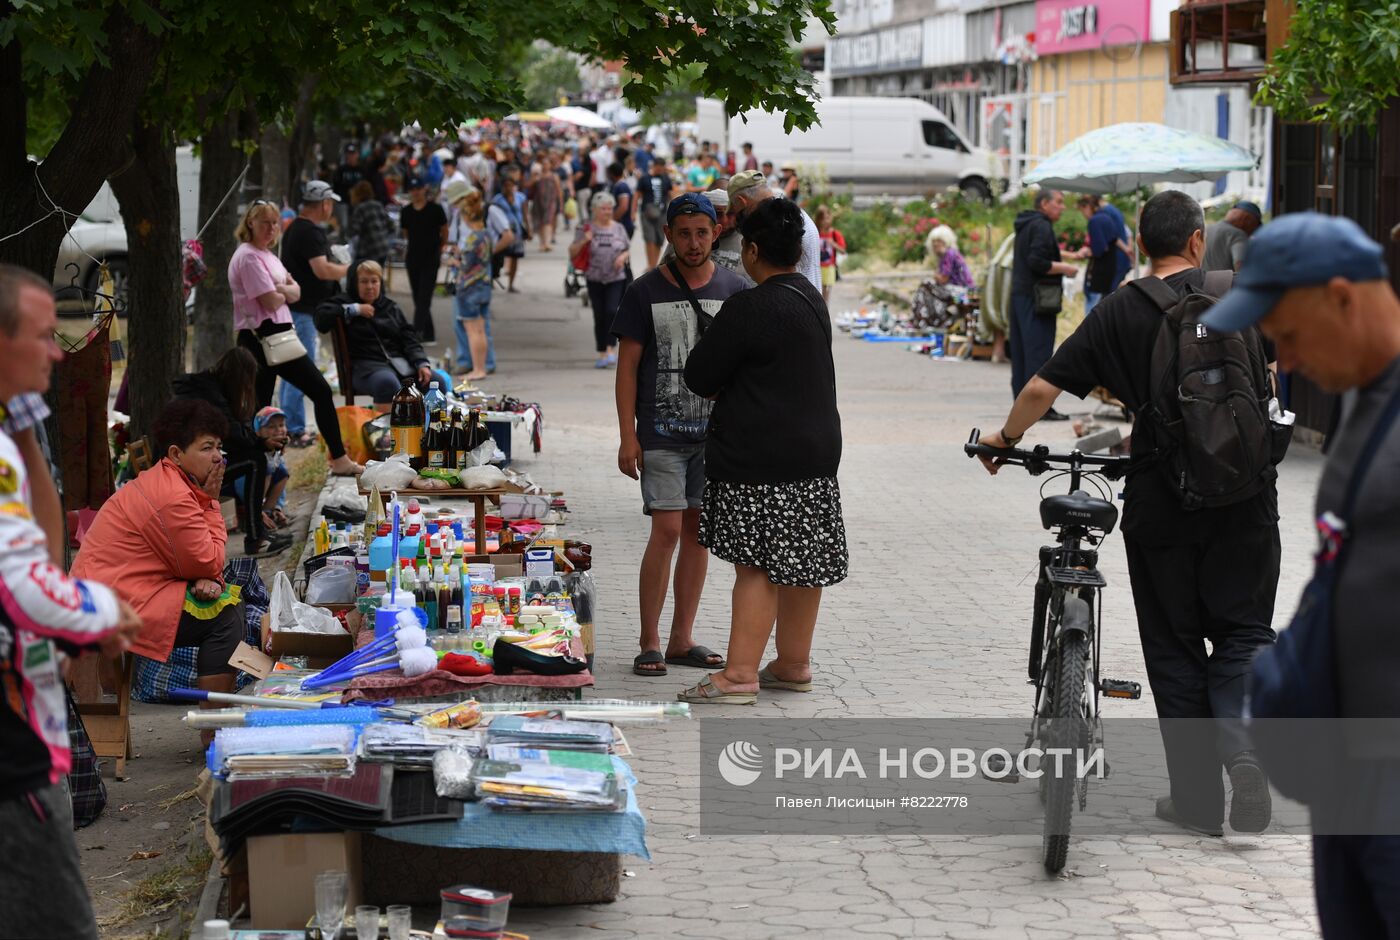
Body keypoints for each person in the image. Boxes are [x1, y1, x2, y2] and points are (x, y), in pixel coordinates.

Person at [976, 189, 1281, 838]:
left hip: (1162, 500)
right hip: (1247, 500)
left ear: (1142, 245)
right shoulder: (1236, 292)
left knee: (1174, 650)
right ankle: (1247, 755)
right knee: (1244, 635)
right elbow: (1268, 379)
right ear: (1198, 242)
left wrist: (1003, 441)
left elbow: (1039, 387)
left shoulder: (1124, 308)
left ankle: (1197, 802)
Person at [1199, 212, 1399, 937]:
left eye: (1286, 334)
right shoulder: (1366, 401)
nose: (1281, 358)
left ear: (1343, 298)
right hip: (1350, 781)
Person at [0, 266, 141, 940]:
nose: (59, 351)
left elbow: (41, 543)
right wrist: (97, 613)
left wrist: (25, 425)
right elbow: (23, 579)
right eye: (41, 335)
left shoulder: (11, 440)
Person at [678, 197, 847, 705]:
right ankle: (793, 664)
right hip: (816, 453)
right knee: (802, 561)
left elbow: (700, 376)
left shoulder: (749, 306)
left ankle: (738, 676)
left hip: (759, 456)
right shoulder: (811, 298)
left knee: (756, 565)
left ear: (751, 251)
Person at [611, 193, 747, 678]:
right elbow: (627, 368)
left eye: (702, 233)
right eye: (684, 233)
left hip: (715, 438)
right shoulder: (645, 290)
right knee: (666, 530)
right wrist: (629, 436)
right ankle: (648, 639)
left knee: (697, 534)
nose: (693, 243)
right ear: (668, 234)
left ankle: (680, 638)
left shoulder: (734, 288)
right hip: (662, 432)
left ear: (717, 232)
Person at [72, 399, 244, 747]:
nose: (217, 457)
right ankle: (214, 735)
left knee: (231, 598)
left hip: (118, 589)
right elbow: (209, 561)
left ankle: (216, 726)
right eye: (206, 447)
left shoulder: (172, 481)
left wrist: (203, 573)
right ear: (177, 454)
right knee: (226, 618)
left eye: (219, 447)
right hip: (113, 601)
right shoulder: (174, 496)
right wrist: (211, 502)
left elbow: (196, 560)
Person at [229, 195, 361, 475]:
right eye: (265, 222)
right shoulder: (249, 257)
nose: (271, 228)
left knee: (260, 407)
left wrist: (284, 289)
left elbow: (296, 291)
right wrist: (284, 289)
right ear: (250, 222)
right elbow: (271, 301)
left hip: (278, 335)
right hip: (263, 337)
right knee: (319, 391)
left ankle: (258, 470)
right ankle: (337, 459)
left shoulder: (266, 255)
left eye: (275, 223)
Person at [172, 347, 293, 555]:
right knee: (255, 461)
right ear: (239, 377)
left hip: (185, 465)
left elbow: (233, 431)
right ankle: (256, 538)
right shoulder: (210, 394)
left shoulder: (208, 388)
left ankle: (258, 533)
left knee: (254, 458)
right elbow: (232, 434)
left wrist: (260, 441)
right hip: (183, 473)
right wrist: (262, 443)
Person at [315, 260, 432, 408]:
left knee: (434, 380)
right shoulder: (343, 302)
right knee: (387, 382)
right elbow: (321, 318)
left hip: (398, 365)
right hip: (364, 368)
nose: (369, 287)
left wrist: (421, 362)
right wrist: (355, 309)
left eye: (374, 281)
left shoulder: (389, 307)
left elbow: (409, 338)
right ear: (354, 283)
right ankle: (389, 430)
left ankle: (430, 429)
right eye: (363, 281)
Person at [1008, 189, 1079, 416]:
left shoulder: (1027, 224)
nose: (1063, 206)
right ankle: (1038, 408)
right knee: (1038, 351)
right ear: (1045, 204)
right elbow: (1037, 262)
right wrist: (1066, 268)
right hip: (1037, 298)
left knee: (1022, 352)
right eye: (1059, 202)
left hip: (1020, 294)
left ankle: (1022, 404)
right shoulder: (1041, 226)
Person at [728, 170, 821, 291]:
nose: (736, 216)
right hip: (808, 300)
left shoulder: (779, 224)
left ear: (741, 201)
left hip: (789, 303)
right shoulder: (791, 216)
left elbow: (776, 276)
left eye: (735, 210)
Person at [572, 191, 631, 369]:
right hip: (594, 277)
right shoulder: (586, 228)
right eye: (603, 208)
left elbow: (627, 248)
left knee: (612, 311)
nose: (607, 211)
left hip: (615, 277)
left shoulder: (619, 228)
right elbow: (572, 252)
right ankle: (601, 352)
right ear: (595, 210)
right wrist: (584, 241)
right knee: (599, 314)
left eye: (610, 208)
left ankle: (610, 348)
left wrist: (622, 257)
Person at [446, 183, 495, 381]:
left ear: (467, 217)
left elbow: (465, 265)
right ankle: (481, 366)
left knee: (472, 330)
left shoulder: (472, 239)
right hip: (483, 284)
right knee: (481, 330)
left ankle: (478, 368)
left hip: (469, 288)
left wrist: (454, 260)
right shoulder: (486, 236)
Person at [399, 175, 449, 342]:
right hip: (413, 258)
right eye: (412, 190)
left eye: (418, 189)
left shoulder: (435, 209)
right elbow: (406, 233)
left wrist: (441, 247)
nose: (415, 193)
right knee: (417, 296)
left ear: (424, 189)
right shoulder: (405, 212)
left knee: (424, 297)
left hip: (431, 258)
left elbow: (444, 230)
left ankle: (417, 331)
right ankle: (429, 333)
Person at [1078, 194, 1133, 313]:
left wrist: (1085, 253)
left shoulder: (1094, 221)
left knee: (1092, 308)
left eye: (1082, 211)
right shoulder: (1106, 217)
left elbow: (1099, 249)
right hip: (1110, 269)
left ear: (1087, 207)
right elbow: (1115, 238)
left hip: (1099, 273)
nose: (1083, 215)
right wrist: (1128, 251)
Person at [490, 169, 528, 294]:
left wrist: (528, 228)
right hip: (503, 233)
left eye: (510, 185)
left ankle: (511, 284)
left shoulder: (520, 197)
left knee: (515, 258)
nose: (508, 188)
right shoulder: (497, 200)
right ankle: (491, 280)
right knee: (495, 257)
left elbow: (525, 214)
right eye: (506, 185)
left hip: (516, 232)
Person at [1203, 200, 1263, 272]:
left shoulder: (1205, 230)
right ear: (1246, 219)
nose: (1253, 232)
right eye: (1254, 226)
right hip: (1225, 283)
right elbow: (1240, 265)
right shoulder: (1238, 235)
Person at [638, 157, 675, 270]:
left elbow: (670, 193)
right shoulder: (644, 178)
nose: (659, 170)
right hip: (647, 212)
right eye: (657, 168)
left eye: (661, 168)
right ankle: (651, 265)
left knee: (659, 239)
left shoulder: (666, 179)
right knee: (650, 239)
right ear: (653, 166)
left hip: (662, 212)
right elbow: (637, 194)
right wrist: (632, 211)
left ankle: (654, 264)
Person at [347, 179, 394, 266]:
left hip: (367, 251)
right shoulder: (378, 205)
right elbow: (391, 226)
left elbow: (354, 231)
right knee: (377, 276)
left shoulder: (359, 208)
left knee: (365, 276)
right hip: (382, 249)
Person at [530, 151, 563, 252]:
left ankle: (547, 242)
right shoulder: (537, 176)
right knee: (540, 222)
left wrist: (560, 204)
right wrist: (534, 180)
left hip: (551, 202)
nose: (545, 166)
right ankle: (542, 243)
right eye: (543, 164)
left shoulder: (554, 176)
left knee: (548, 222)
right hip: (538, 202)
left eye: (547, 164)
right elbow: (530, 188)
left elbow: (559, 191)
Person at [924, 223, 974, 290]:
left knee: (926, 287)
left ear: (946, 241)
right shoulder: (949, 253)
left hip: (963, 294)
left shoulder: (949, 254)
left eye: (939, 241)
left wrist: (935, 276)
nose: (935, 244)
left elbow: (943, 280)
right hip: (962, 291)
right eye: (933, 241)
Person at [331, 143, 364, 237]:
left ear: (357, 154)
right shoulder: (341, 169)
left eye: (353, 153)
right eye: (349, 153)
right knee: (344, 225)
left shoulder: (361, 169)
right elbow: (336, 185)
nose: (351, 156)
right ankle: (343, 242)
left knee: (357, 224)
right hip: (343, 201)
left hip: (357, 202)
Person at [608, 161, 635, 241]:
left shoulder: (622, 186)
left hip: (623, 226)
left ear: (612, 174)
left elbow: (623, 206)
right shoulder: (617, 185)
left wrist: (611, 220)